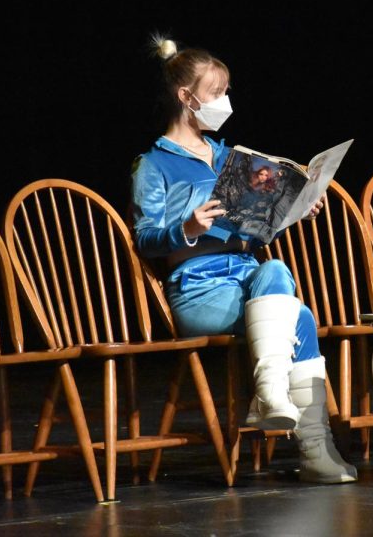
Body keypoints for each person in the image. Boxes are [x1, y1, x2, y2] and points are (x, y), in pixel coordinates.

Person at [131, 36, 356, 483]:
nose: (224, 102)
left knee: (274, 268)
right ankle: (310, 444)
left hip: (248, 278)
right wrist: (185, 229)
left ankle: (275, 401)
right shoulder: (153, 164)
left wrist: (297, 207)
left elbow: (257, 220)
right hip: (198, 288)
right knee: (301, 317)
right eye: (216, 93)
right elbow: (144, 239)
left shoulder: (230, 157)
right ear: (186, 97)